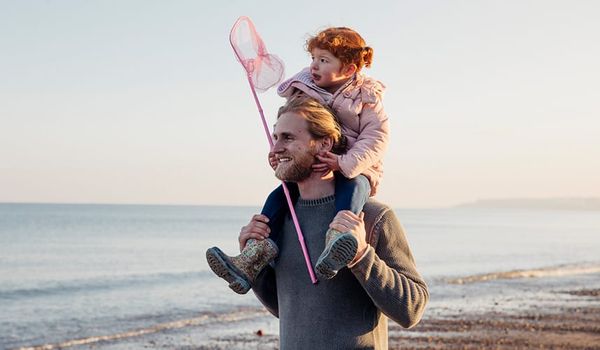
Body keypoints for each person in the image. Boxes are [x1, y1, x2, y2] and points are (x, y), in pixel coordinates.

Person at [206, 27, 390, 293]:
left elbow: (376, 138)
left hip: (354, 166)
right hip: (313, 168)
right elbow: (286, 308)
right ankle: (254, 256)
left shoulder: (366, 98)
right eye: (313, 58)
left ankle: (339, 239)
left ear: (349, 69)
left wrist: (343, 162)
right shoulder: (305, 89)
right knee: (277, 196)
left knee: (355, 185)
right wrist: (283, 156)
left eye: (324, 60)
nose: (314, 66)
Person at [243, 97, 428, 349]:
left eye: (287, 138)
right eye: (275, 137)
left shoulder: (372, 216)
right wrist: (255, 269)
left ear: (324, 143)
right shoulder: (277, 222)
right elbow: (289, 309)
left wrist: (361, 256)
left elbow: (412, 309)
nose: (275, 149)